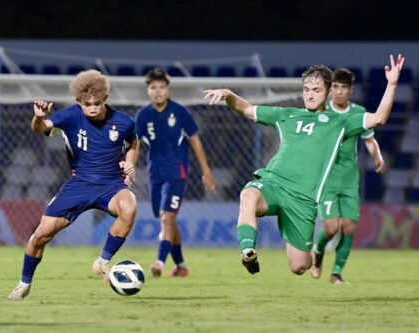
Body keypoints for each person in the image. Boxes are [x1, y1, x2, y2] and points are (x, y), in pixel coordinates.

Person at [203, 54, 403, 276]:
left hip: (303, 200)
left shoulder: (341, 122)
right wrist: (229, 95)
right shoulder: (287, 115)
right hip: (274, 183)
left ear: (327, 93)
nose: (309, 94)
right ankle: (248, 250)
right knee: (248, 195)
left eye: (316, 90)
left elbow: (379, 118)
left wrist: (392, 84)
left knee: (299, 266)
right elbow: (247, 110)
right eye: (306, 89)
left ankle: (314, 254)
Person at [7, 69, 139, 300]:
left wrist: (130, 165)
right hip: (79, 185)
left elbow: (134, 143)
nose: (93, 108)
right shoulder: (70, 116)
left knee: (130, 207)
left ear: (105, 99)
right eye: (87, 104)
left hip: (111, 185)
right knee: (41, 236)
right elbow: (40, 128)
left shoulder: (124, 122)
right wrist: (38, 117)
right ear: (78, 101)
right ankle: (24, 283)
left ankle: (103, 261)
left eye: (97, 103)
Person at [135, 68, 215, 277]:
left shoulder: (179, 112)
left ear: (168, 89)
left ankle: (159, 263)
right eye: (154, 87)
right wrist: (129, 168)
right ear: (148, 90)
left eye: (162, 87)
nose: (158, 91)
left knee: (166, 217)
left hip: (176, 173)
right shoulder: (143, 115)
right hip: (155, 175)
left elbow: (195, 140)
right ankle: (180, 265)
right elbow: (136, 144)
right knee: (168, 219)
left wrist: (206, 171)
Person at [311, 68, 386, 284]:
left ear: (350, 90)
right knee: (331, 227)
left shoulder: (358, 112)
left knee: (349, 226)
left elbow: (369, 139)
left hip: (349, 178)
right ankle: (318, 250)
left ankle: (336, 273)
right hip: (327, 178)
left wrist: (377, 157)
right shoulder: (321, 111)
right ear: (330, 89)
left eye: (344, 87)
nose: (339, 91)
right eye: (335, 87)